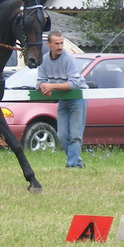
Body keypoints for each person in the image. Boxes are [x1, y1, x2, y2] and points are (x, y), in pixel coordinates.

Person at [37, 31, 87, 168]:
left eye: (61, 43)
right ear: (48, 45)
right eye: (56, 43)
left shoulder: (69, 59)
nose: (60, 46)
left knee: (75, 135)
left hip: (77, 99)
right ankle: (77, 163)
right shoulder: (44, 60)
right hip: (63, 100)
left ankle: (71, 165)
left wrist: (52, 86)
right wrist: (43, 87)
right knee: (62, 136)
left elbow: (74, 84)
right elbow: (40, 80)